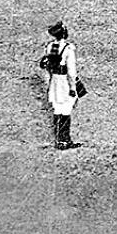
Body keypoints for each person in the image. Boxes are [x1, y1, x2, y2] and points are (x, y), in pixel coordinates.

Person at [40, 20, 81, 150]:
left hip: (54, 81)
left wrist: (49, 82)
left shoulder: (50, 46)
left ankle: (59, 140)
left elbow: (47, 67)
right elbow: (71, 71)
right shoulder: (68, 48)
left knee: (57, 110)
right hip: (64, 81)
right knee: (66, 110)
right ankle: (65, 140)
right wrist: (73, 88)